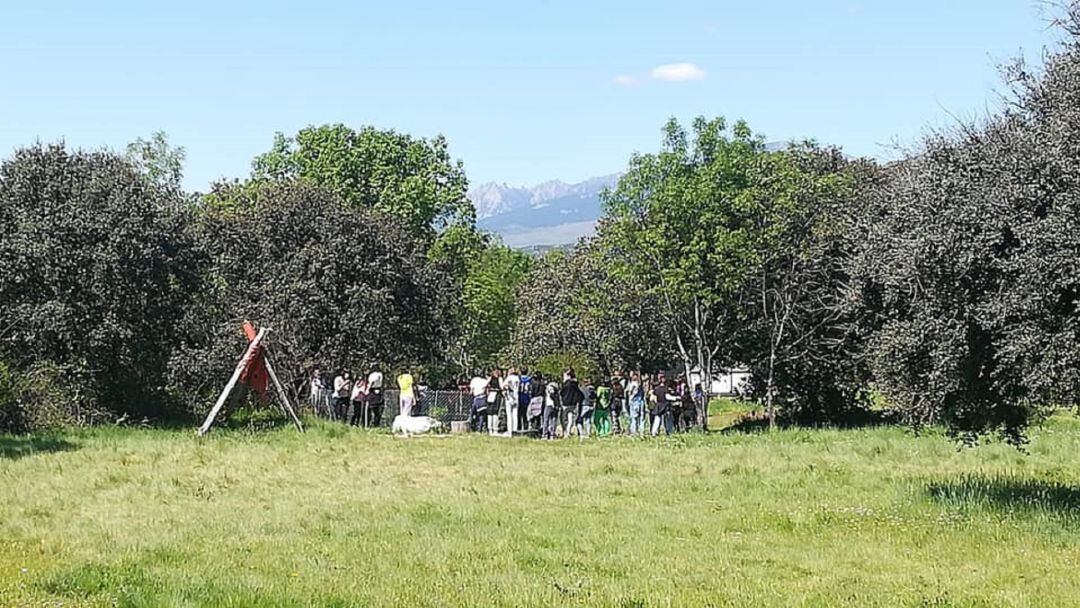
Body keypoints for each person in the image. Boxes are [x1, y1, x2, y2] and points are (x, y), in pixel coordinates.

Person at [558, 368, 583, 439]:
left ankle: (565, 431)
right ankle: (568, 432)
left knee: (563, 418)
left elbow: (562, 393)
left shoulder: (566, 384)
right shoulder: (575, 385)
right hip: (573, 404)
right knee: (570, 419)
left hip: (565, 403)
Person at [626, 372, 645, 436]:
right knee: (640, 417)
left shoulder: (633, 384)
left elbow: (630, 393)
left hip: (634, 401)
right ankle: (640, 431)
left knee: (634, 417)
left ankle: (634, 431)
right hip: (638, 401)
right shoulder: (637, 384)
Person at [486, 368, 503, 436]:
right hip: (497, 395)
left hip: (490, 395)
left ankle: (490, 429)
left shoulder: (490, 378)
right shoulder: (500, 378)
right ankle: (495, 429)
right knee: (495, 412)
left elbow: (486, 384)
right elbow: (501, 387)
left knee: (490, 412)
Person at [504, 367, 521, 434]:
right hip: (516, 396)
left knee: (509, 414)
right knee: (515, 414)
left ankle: (510, 430)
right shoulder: (517, 378)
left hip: (510, 397)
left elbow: (504, 385)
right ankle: (515, 430)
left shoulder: (509, 378)